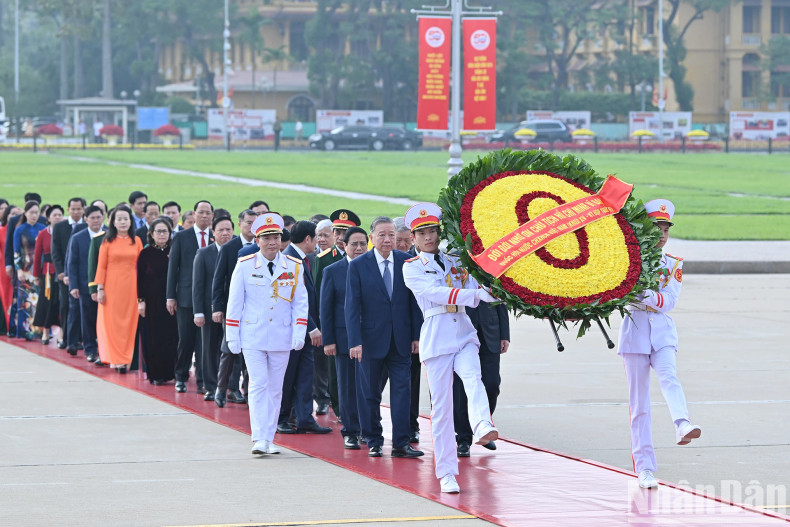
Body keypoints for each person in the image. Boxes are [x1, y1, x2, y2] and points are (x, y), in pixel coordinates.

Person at [402, 203, 499, 494]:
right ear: (413, 237)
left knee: (473, 378)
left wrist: (494, 287)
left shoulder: (456, 259)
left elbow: (479, 284)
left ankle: (482, 425)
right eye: (422, 233)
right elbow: (434, 293)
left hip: (464, 332)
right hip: (437, 336)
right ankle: (446, 473)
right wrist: (475, 295)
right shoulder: (411, 267)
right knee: (442, 410)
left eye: (432, 231)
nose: (428, 237)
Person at [619, 199, 701, 490]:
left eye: (666, 229)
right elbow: (622, 294)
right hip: (635, 333)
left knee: (669, 376)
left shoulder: (673, 263)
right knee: (639, 404)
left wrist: (644, 295)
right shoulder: (627, 260)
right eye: (657, 229)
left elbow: (669, 301)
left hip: (663, 333)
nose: (662, 235)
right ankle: (644, 468)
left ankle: (682, 423)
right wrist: (646, 296)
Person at [225, 213, 309, 456]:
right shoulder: (245, 265)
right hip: (253, 335)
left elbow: (300, 302)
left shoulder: (293, 266)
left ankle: (269, 438)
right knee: (258, 384)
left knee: (275, 388)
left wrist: (299, 331)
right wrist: (232, 335)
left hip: (282, 335)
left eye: (276, 237)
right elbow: (235, 302)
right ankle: (259, 437)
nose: (272, 242)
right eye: (267, 238)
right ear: (257, 240)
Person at [345, 216, 423, 458]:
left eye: (391, 234)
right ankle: (374, 440)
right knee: (369, 394)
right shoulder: (358, 265)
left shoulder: (407, 261)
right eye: (382, 235)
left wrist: (416, 336)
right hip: (370, 341)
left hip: (401, 340)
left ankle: (401, 443)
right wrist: (355, 341)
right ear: (372, 238)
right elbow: (352, 306)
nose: (388, 239)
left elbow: (414, 302)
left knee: (402, 392)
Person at [277, 221, 331, 435]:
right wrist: (311, 327)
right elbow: (292, 300)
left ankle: (305, 418)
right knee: (288, 377)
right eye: (316, 238)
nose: (318, 242)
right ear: (308, 239)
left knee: (305, 376)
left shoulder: (301, 259)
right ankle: (282, 418)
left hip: (304, 332)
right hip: (293, 331)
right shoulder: (288, 260)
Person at [320, 226, 368, 449]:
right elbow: (326, 308)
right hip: (342, 339)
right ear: (344, 245)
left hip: (370, 337)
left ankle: (367, 428)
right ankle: (350, 431)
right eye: (354, 244)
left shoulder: (372, 267)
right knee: (347, 386)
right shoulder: (332, 270)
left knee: (369, 386)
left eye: (363, 244)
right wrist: (329, 340)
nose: (359, 248)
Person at [314, 209, 362, 420]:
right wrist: (325, 331)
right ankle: (340, 407)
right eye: (338, 232)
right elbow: (320, 297)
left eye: (345, 232)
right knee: (336, 372)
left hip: (360, 325)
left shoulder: (363, 256)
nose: (341, 237)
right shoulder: (325, 259)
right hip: (337, 325)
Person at [211, 209, 258, 407]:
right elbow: (218, 279)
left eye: (255, 223)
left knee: (251, 351)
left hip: (254, 308)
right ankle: (224, 389)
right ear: (239, 224)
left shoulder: (261, 247)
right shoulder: (229, 248)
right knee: (229, 350)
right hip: (233, 307)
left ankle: (247, 390)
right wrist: (217, 307)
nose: (252, 227)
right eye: (248, 222)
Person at [167, 200, 214, 393]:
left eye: (207, 213)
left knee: (205, 343)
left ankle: (203, 380)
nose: (204, 216)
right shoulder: (181, 236)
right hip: (186, 298)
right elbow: (173, 268)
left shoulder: (216, 237)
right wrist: (170, 296)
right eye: (201, 212)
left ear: (212, 216)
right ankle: (181, 376)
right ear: (194, 214)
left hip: (208, 299)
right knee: (185, 340)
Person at [453, 297, 509, 456]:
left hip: (491, 331)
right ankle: (463, 438)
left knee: (492, 384)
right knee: (461, 389)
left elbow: (502, 299)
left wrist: (505, 334)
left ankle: (482, 426)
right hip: (463, 331)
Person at [95, 205, 143, 373]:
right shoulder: (107, 242)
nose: (123, 222)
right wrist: (100, 289)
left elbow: (142, 266)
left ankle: (126, 358)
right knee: (113, 323)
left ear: (131, 221)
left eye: (126, 219)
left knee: (129, 323)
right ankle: (116, 359)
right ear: (113, 222)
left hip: (132, 286)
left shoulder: (136, 241)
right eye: (119, 219)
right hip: (112, 286)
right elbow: (101, 266)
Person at [193, 215, 234, 401]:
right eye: (221, 230)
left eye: (228, 230)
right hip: (209, 310)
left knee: (232, 350)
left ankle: (232, 388)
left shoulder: (238, 251)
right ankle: (210, 386)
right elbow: (198, 285)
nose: (225, 233)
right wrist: (198, 312)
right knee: (209, 349)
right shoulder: (203, 253)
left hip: (232, 310)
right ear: (213, 232)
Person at [137, 217, 178, 384]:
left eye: (165, 231)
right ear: (151, 234)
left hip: (171, 301)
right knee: (152, 338)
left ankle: (171, 372)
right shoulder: (145, 253)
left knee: (171, 337)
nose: (162, 234)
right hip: (151, 302)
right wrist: (141, 301)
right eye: (158, 231)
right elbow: (139, 279)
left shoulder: (174, 251)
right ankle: (155, 374)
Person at [67, 205, 107, 363]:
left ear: (103, 217)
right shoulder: (78, 237)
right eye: (92, 218)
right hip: (85, 285)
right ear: (86, 219)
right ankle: (90, 349)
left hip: (107, 285)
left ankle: (105, 350)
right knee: (88, 318)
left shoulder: (109, 235)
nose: (96, 221)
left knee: (105, 319)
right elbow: (72, 263)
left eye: (98, 217)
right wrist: (74, 286)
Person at [52, 197, 86, 352]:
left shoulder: (86, 226)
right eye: (73, 209)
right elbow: (55, 252)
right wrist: (61, 272)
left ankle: (78, 339)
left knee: (80, 307)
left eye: (79, 209)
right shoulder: (60, 227)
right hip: (64, 275)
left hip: (81, 274)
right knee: (66, 306)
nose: (76, 212)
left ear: (84, 209)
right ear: (68, 210)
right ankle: (65, 337)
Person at [13, 201, 46, 340]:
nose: (34, 215)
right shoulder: (19, 229)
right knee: (25, 300)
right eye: (31, 212)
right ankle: (25, 331)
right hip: (26, 270)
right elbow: (16, 252)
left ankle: (40, 330)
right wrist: (19, 270)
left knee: (40, 300)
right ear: (25, 213)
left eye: (36, 212)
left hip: (40, 269)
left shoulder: (43, 228)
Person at [32, 204, 64, 344]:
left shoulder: (65, 232)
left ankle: (62, 334)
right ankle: (45, 332)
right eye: (54, 215)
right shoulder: (43, 234)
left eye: (59, 215)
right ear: (48, 218)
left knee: (61, 302)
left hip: (61, 272)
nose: (57, 217)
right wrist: (36, 276)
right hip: (48, 273)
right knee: (46, 302)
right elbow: (37, 256)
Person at [0, 204, 21, 335]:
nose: (15, 217)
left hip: (22, 269)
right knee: (7, 296)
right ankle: (8, 325)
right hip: (5, 269)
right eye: (13, 214)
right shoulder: (2, 231)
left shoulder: (22, 230)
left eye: (18, 214)